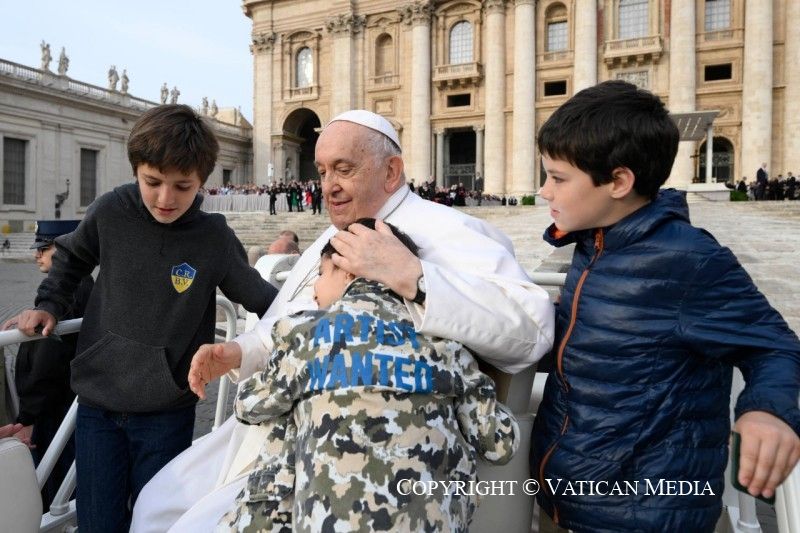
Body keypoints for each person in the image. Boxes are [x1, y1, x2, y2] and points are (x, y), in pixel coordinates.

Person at [131, 109, 554, 532]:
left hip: (351, 452)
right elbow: (285, 324)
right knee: (155, 504)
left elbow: (531, 329)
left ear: (391, 172)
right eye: (322, 170)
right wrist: (238, 351)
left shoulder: (451, 229)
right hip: (271, 429)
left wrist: (414, 276)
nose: (328, 185)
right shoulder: (326, 238)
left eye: (344, 169)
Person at [530, 80, 800, 532]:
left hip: (643, 511)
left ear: (618, 181)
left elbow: (775, 346)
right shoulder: (594, 245)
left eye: (557, 178)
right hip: (570, 496)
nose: (544, 191)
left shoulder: (690, 260)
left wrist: (767, 411)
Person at [6, 104, 277, 532]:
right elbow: (70, 259)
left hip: (167, 413)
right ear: (136, 170)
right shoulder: (111, 210)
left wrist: (310, 320)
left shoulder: (214, 238)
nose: (165, 198)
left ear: (202, 182)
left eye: (182, 186)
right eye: (152, 182)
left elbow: (262, 298)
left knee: (153, 523)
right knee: (98, 522)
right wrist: (48, 304)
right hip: (97, 408)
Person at [218, 218, 518, 531]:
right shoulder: (444, 340)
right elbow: (499, 444)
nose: (316, 291)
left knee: (289, 418)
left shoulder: (305, 334)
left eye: (321, 275)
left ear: (347, 269)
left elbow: (250, 406)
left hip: (331, 522)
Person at [4, 220, 93, 509]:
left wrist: (27, 416)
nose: (36, 254)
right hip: (66, 401)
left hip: (53, 409)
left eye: (44, 248)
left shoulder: (68, 291)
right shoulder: (81, 285)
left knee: (51, 485)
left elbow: (48, 361)